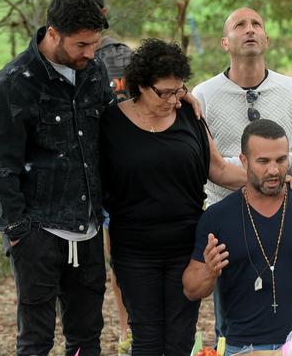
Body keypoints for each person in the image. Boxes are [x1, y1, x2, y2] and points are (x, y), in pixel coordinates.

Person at [100, 38, 247, 355]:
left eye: (178, 90)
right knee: (148, 338)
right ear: (140, 84)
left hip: (186, 245)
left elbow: (218, 169)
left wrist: (266, 178)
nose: (171, 99)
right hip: (134, 249)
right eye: (163, 92)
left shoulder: (189, 117)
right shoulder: (110, 122)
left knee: (181, 337)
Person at [0, 0, 110, 355]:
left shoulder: (95, 71)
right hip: (37, 233)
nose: (90, 53)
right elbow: (2, 166)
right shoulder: (13, 84)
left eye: (95, 43)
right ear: (53, 34)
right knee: (35, 342)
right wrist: (18, 234)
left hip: (90, 227)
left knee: (87, 338)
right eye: (82, 44)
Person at [182, 119, 292, 356]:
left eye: (281, 160)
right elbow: (191, 289)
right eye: (263, 161)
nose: (274, 170)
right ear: (244, 161)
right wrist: (208, 272)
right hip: (242, 348)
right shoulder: (217, 217)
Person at [192, 7, 292, 207]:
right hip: (226, 212)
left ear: (267, 40)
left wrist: (277, 163)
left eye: (256, 24)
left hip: (286, 210)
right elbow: (199, 161)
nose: (250, 30)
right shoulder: (203, 95)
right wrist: (258, 166)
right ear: (225, 43)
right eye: (240, 25)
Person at [78, 0, 133, 354]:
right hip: (73, 180)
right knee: (82, 272)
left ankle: (129, 331)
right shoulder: (56, 55)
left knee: (120, 261)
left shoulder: (120, 56)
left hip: (115, 177)